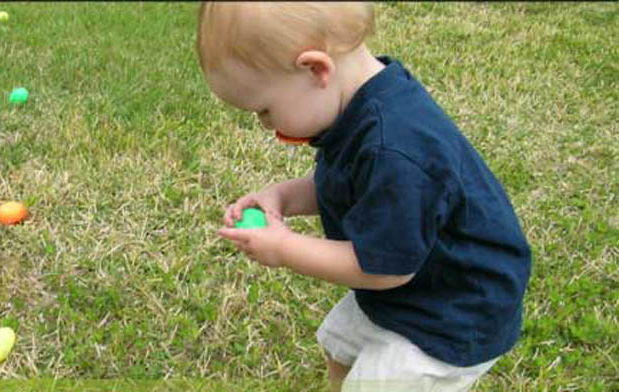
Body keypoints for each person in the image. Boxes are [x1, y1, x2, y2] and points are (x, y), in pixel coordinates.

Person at [196, 3, 532, 391]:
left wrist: (284, 248)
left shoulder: (397, 147)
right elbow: (350, 181)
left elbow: (385, 269)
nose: (266, 124)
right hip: (416, 289)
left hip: (453, 311)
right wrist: (282, 197)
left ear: (316, 70)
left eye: (265, 110)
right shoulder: (361, 105)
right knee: (339, 346)